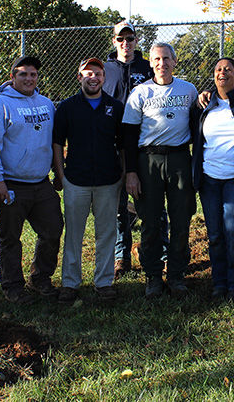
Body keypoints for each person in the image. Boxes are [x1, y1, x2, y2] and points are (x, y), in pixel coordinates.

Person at [0, 56, 63, 304]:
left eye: (33, 74)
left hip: (40, 182)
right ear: (12, 76)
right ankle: (12, 286)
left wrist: (57, 174)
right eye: (23, 74)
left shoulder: (47, 104)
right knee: (10, 238)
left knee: (53, 230)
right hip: (11, 183)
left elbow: (52, 142)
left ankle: (40, 278)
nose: (29, 79)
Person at [123, 42, 198, 298]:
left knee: (181, 220)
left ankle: (176, 276)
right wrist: (131, 172)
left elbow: (198, 127)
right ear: (150, 63)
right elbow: (129, 136)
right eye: (156, 59)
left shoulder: (188, 90)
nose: (161, 63)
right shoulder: (140, 92)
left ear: (175, 61)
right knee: (151, 222)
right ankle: (153, 276)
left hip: (179, 159)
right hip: (148, 161)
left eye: (166, 58)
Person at [53, 58, 124, 303]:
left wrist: (123, 175)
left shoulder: (115, 107)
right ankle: (70, 283)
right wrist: (62, 176)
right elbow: (57, 143)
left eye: (97, 73)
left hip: (108, 180)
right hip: (76, 179)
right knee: (73, 233)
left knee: (106, 233)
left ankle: (104, 282)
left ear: (104, 78)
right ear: (79, 77)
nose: (93, 77)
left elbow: (123, 145)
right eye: (87, 73)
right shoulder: (66, 107)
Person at [191, 58, 234, 302]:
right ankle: (219, 284)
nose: (223, 73)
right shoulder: (204, 105)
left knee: (233, 233)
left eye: (228, 69)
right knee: (215, 235)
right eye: (218, 69)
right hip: (209, 179)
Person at [103, 20, 168, 278]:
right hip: (112, 148)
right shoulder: (105, 69)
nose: (125, 44)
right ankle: (122, 255)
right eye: (121, 39)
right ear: (114, 41)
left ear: (136, 41)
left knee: (151, 204)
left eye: (130, 39)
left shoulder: (147, 67)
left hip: (143, 146)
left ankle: (160, 252)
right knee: (118, 206)